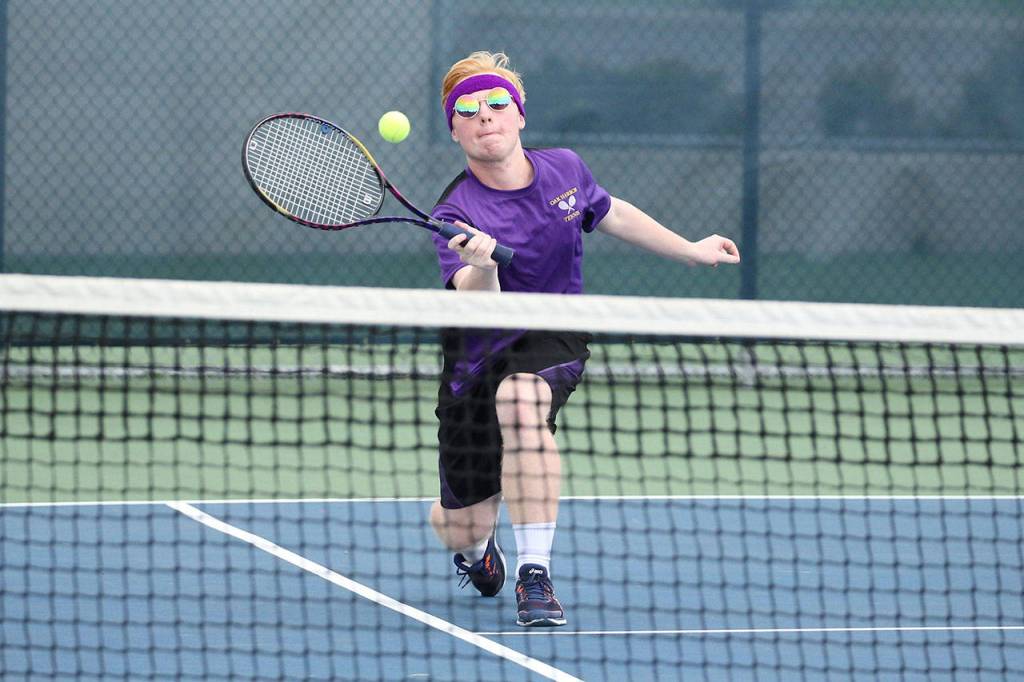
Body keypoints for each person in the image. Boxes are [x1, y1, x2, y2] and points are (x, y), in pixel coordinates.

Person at [427, 51, 740, 627]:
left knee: (521, 400)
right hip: (477, 356)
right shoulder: (455, 211)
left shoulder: (565, 170)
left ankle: (535, 574)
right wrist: (485, 264)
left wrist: (691, 250)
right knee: (458, 527)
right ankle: (478, 553)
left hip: (552, 333)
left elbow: (612, 212)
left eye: (496, 102)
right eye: (467, 109)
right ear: (455, 130)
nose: (485, 115)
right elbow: (476, 302)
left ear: (519, 115)